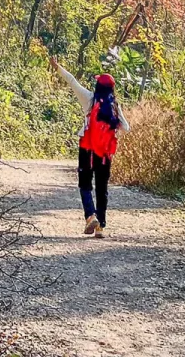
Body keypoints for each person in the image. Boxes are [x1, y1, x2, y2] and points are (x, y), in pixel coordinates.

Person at [49, 55, 130, 238]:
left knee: (85, 184)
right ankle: (100, 226)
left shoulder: (89, 99)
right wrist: (112, 132)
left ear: (97, 86)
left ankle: (90, 216)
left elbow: (72, 81)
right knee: (102, 188)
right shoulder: (115, 106)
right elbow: (126, 127)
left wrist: (57, 67)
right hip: (105, 154)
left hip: (87, 148)